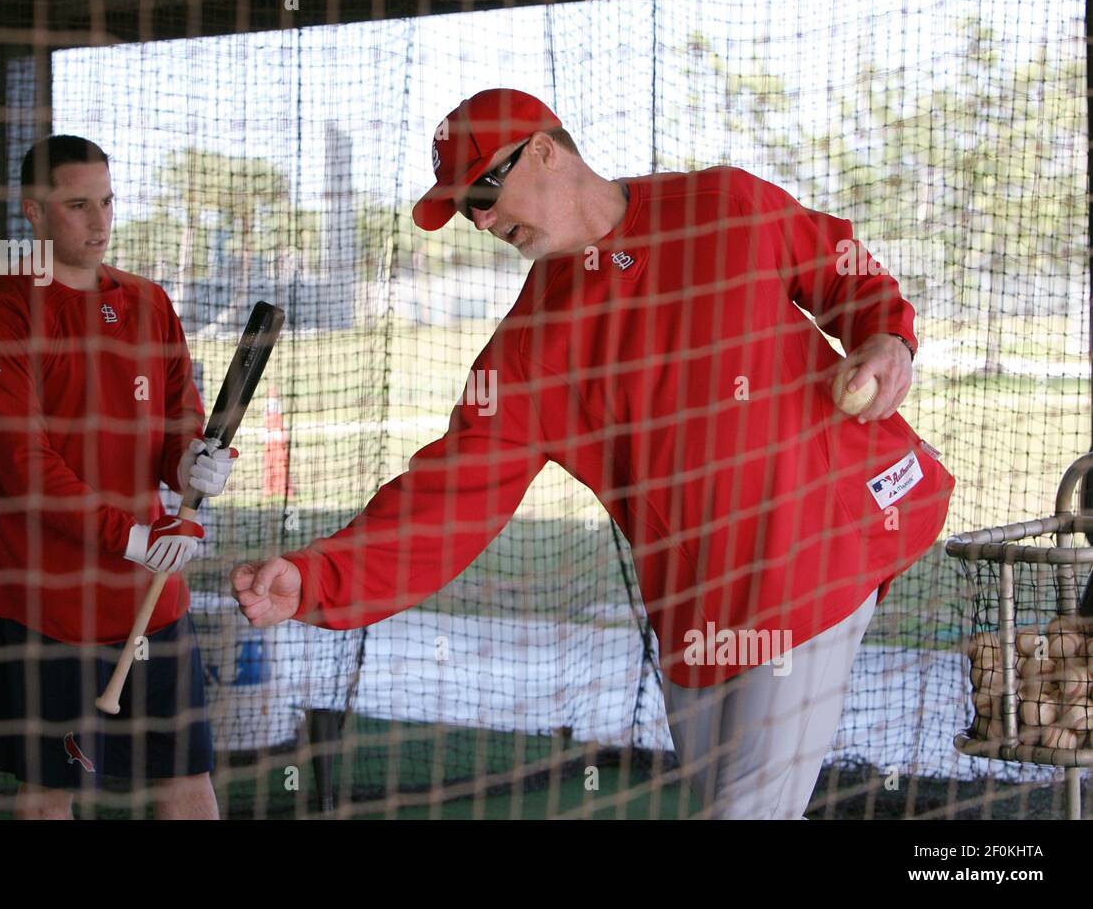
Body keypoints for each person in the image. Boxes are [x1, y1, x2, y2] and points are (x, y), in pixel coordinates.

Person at [228, 89, 956, 818]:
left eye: (484, 190)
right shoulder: (528, 350)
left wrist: (886, 335)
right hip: (696, 607)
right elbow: (445, 501)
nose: (480, 219)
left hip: (818, 545)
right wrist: (317, 576)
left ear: (545, 149)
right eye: (464, 209)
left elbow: (840, 264)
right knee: (727, 802)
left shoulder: (724, 203)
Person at [0, 135, 235, 819]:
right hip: (46, 602)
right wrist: (132, 538)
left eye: (107, 201)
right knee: (50, 795)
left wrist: (193, 459)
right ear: (34, 214)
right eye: (78, 205)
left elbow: (176, 420)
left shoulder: (148, 302)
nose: (101, 221)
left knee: (188, 783)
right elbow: (25, 469)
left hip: (149, 597)